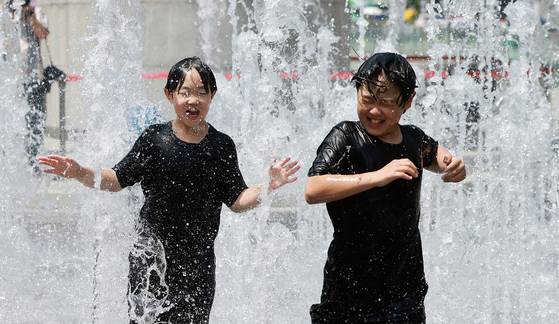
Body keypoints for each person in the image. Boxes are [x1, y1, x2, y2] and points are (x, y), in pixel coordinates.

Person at [38, 57, 301, 323]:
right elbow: (117, 179)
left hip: (198, 267)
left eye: (201, 93)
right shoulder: (154, 140)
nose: (193, 100)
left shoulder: (221, 146)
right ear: (169, 94)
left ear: (212, 96)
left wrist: (268, 187)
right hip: (151, 262)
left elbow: (237, 199)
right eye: (185, 92)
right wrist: (80, 171)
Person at [304, 52, 466, 323]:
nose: (374, 111)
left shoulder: (413, 139)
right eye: (367, 100)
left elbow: (438, 155)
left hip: (404, 286)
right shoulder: (346, 137)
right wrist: (377, 176)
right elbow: (313, 188)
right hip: (350, 286)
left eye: (387, 103)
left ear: (408, 101)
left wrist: (454, 167)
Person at [8, 0, 50, 173]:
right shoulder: (6, 15)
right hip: (12, 80)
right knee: (11, 124)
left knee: (35, 124)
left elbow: (42, 33)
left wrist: (30, 16)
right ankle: (11, 166)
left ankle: (34, 165)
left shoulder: (36, 11)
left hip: (34, 79)